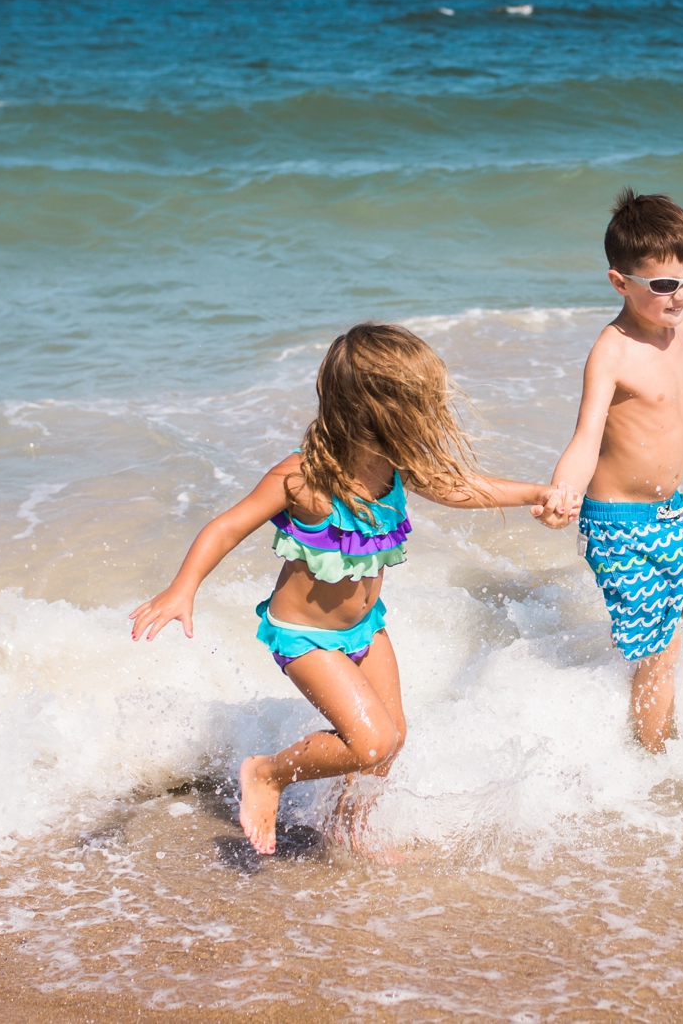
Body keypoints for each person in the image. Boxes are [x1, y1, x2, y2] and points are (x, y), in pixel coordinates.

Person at [130, 322, 576, 857]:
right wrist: (183, 588)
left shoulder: (393, 467)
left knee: (390, 742)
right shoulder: (303, 479)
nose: (432, 416)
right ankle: (267, 774)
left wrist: (536, 491)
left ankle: (349, 831)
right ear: (376, 410)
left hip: (366, 628)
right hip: (306, 637)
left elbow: (458, 489)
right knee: (371, 740)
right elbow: (226, 527)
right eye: (421, 404)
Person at [549, 189, 683, 752]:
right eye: (665, 286)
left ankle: (661, 612)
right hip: (619, 524)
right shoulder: (611, 351)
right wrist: (563, 492)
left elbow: (675, 371)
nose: (682, 296)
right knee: (661, 657)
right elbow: (585, 437)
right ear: (620, 283)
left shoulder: (676, 325)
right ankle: (652, 766)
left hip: (674, 513)